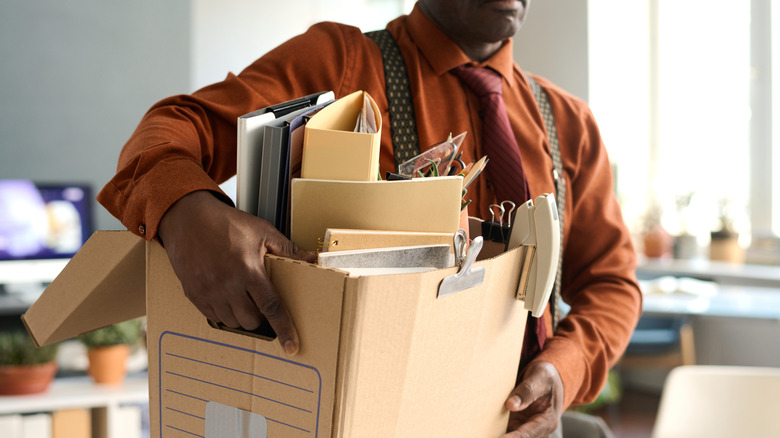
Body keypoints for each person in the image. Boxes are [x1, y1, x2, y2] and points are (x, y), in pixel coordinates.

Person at [97, 1, 642, 436]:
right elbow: (173, 127)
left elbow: (612, 284)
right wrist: (187, 210)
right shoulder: (342, 63)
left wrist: (563, 368)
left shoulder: (569, 123)